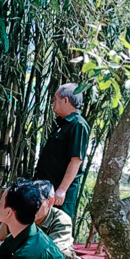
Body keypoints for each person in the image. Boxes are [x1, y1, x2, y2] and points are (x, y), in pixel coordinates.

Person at [33, 83, 91, 218]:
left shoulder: (78, 124)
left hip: (59, 193)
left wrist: (62, 190)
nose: (53, 103)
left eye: (55, 99)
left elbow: (76, 161)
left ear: (65, 100)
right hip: (46, 188)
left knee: (58, 227)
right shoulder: (63, 123)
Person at [31, 180, 83, 259]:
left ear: (50, 201)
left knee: (66, 257)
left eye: (37, 202)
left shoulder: (62, 219)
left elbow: (53, 253)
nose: (31, 206)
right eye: (28, 201)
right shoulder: (19, 212)